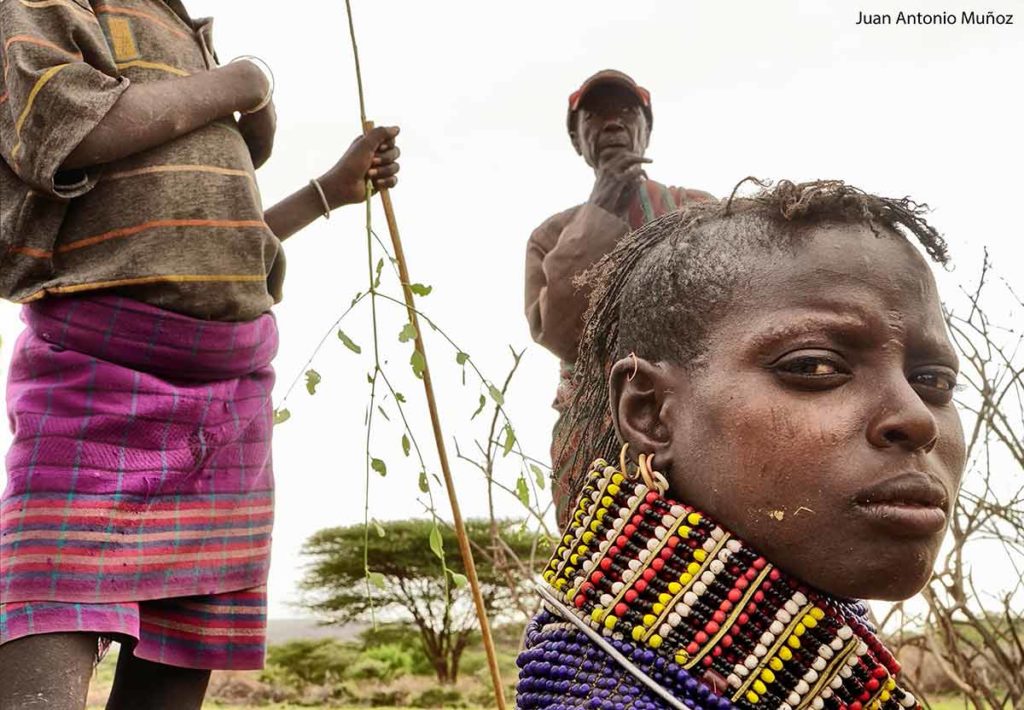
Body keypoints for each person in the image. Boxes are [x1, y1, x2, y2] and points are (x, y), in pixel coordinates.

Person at [0, 1, 398, 708]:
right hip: (97, 378)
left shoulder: (182, 27)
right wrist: (243, 84)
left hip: (227, 401)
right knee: (49, 597)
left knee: (184, 647)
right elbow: (65, 121)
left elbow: (211, 247)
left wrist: (326, 193)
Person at [516, 179, 965, 709]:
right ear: (650, 413)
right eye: (814, 366)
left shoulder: (823, 621)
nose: (916, 418)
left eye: (933, 381)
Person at [523, 70, 714, 524]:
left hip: (701, 421)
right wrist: (602, 208)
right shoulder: (551, 235)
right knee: (606, 572)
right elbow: (559, 332)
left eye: (626, 113)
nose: (611, 124)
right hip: (593, 437)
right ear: (578, 140)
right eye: (594, 117)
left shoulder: (699, 209)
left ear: (646, 130)